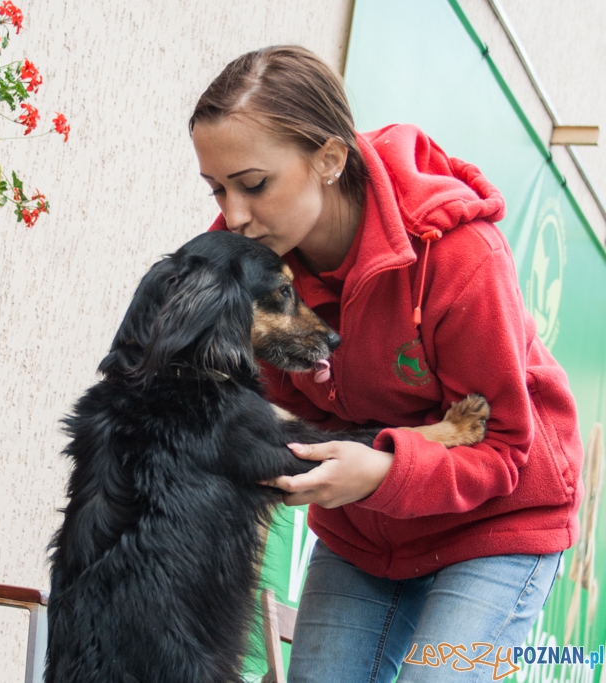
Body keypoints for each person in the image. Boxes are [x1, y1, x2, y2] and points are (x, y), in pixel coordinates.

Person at [189, 46, 583, 682]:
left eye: (254, 184)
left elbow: (505, 443)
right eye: (218, 188)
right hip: (368, 532)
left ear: (330, 159)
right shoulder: (246, 264)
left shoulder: (460, 256)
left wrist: (382, 471)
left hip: (500, 520)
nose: (233, 216)